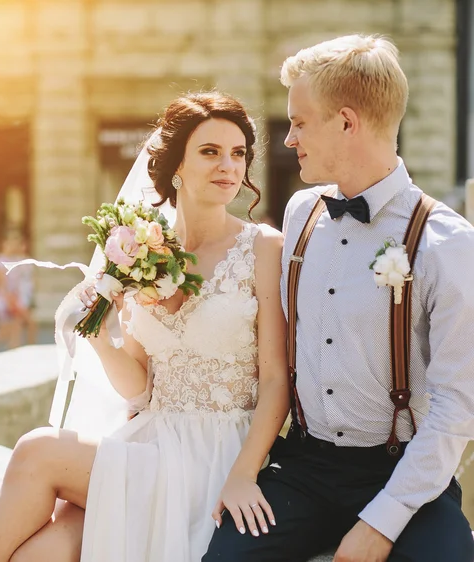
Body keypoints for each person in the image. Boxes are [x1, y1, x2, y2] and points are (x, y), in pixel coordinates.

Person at [0, 91, 289, 562]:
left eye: (238, 153)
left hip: (220, 452)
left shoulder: (264, 247)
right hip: (152, 441)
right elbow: (140, 388)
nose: (229, 166)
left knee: (37, 450)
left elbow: (275, 380)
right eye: (210, 152)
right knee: (44, 551)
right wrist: (101, 341)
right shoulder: (142, 250)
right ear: (176, 166)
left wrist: (243, 473)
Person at [203, 34, 474, 562]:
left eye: (300, 122)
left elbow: (457, 407)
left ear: (347, 122)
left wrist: (382, 522)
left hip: (405, 474)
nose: (288, 139)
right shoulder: (301, 212)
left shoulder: (449, 244)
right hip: (304, 467)